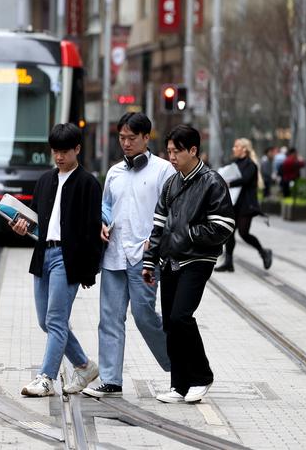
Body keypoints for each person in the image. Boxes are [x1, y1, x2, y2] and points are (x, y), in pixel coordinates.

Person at [82, 113, 173, 398]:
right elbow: (106, 207)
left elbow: (171, 212)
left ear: (147, 137)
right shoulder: (113, 173)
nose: (126, 143)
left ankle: (177, 365)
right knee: (109, 318)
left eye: (132, 138)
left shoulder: (163, 171)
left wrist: (155, 242)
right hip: (114, 255)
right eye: (122, 138)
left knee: (144, 315)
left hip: (144, 257)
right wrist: (101, 223)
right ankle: (111, 380)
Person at [142, 125, 234, 404]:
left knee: (181, 316)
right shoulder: (171, 184)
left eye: (176, 151)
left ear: (193, 150)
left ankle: (202, 376)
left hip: (197, 259)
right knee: (170, 322)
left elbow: (224, 225)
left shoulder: (212, 182)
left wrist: (188, 235)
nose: (171, 157)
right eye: (168, 151)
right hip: (170, 261)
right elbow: (158, 226)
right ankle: (179, 384)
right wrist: (149, 262)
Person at [12, 122, 102, 397]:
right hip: (44, 255)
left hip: (68, 258)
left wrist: (88, 272)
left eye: (65, 151)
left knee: (55, 319)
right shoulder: (45, 180)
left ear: (77, 149)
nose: (59, 157)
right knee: (47, 321)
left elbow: (91, 230)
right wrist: (21, 226)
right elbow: (37, 219)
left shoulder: (88, 183)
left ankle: (46, 378)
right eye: (55, 151)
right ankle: (84, 366)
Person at [215, 138, 272, 273]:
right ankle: (228, 262)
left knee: (244, 233)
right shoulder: (234, 164)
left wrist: (228, 183)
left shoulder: (251, 165)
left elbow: (245, 180)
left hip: (246, 206)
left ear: (244, 149)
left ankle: (264, 252)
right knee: (229, 233)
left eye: (236, 146)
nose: (234, 149)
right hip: (234, 203)